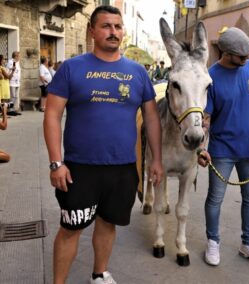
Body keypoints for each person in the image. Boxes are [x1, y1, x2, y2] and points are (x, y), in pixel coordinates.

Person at [43, 5, 163, 284]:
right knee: (70, 228)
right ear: (92, 31)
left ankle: (99, 273)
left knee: (108, 223)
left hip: (122, 167)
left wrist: (156, 160)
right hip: (79, 168)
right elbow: (52, 114)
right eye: (106, 26)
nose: (113, 32)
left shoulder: (138, 72)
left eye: (118, 27)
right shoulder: (73, 68)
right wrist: (56, 162)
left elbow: (152, 118)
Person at [197, 27, 249, 267]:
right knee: (215, 199)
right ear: (227, 53)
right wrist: (201, 147)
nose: (247, 59)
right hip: (221, 151)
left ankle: (248, 244)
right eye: (242, 56)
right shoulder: (211, 76)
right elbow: (206, 118)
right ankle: (213, 242)